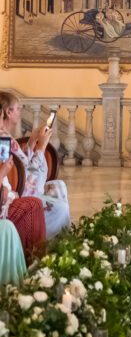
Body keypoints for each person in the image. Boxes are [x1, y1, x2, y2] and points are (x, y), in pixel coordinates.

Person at [0, 92, 70, 239]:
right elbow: (26, 177)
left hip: (17, 187)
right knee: (60, 208)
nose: (21, 111)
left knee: (58, 185)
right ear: (7, 112)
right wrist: (41, 147)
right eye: (18, 108)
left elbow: (21, 164)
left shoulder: (6, 136)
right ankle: (47, 245)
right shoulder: (4, 139)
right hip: (18, 193)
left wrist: (32, 141)